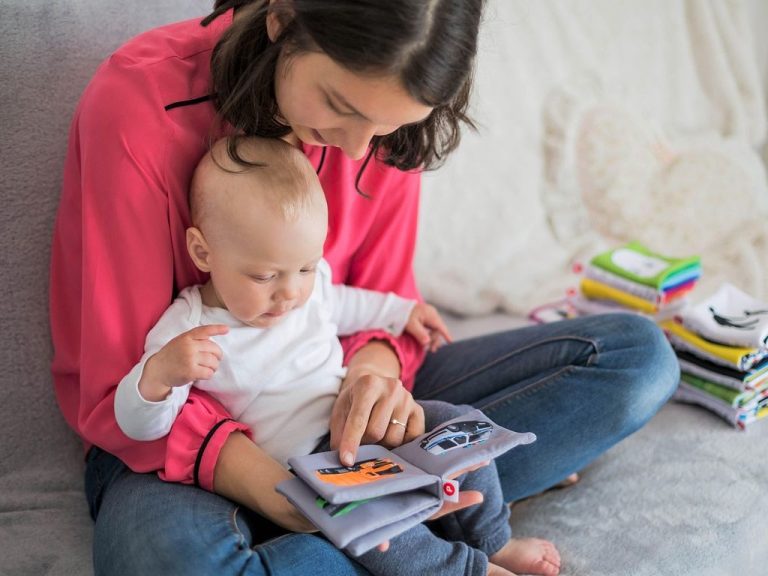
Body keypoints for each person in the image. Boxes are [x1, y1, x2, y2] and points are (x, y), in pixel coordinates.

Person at [49, 1, 680, 575]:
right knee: (165, 562)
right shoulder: (137, 106)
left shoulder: (383, 126)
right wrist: (280, 490)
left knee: (637, 359)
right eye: (340, 107)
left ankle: (384, 530)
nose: (358, 149)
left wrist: (373, 381)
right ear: (282, 17)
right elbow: (123, 386)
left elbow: (380, 304)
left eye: (385, 127)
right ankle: (406, 534)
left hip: (335, 411)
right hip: (170, 444)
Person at [114, 134, 533, 576]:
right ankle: (467, 569)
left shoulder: (304, 289)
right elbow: (140, 426)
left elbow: (349, 304)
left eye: (306, 268)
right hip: (310, 466)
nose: (290, 292)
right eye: (263, 275)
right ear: (203, 252)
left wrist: (402, 311)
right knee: (379, 529)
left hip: (360, 423)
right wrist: (159, 376)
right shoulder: (188, 327)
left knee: (458, 422)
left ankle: (493, 540)